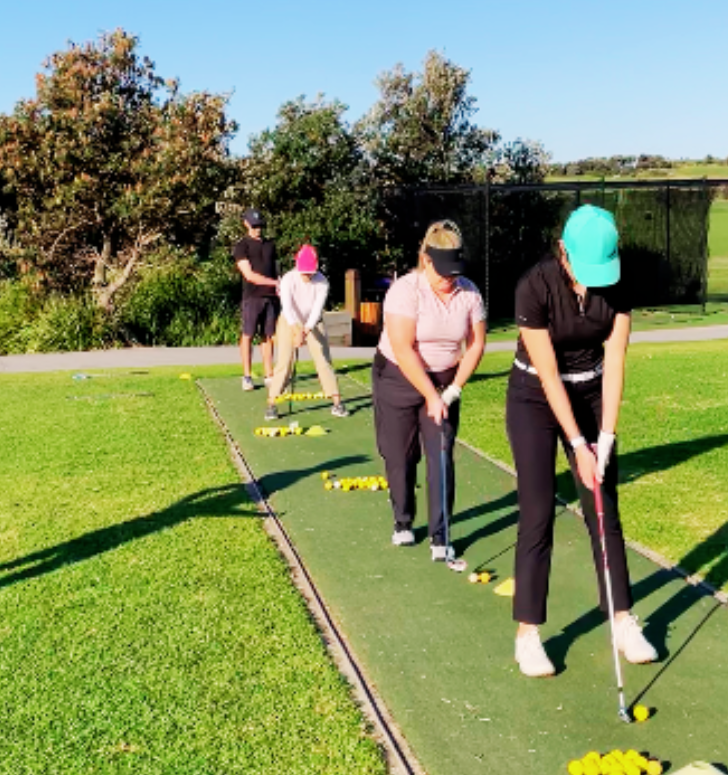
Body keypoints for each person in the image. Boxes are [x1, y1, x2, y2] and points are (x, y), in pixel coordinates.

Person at [507, 205, 656, 678]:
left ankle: (622, 619)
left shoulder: (619, 286)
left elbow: (615, 364)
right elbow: (549, 374)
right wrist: (577, 443)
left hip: (592, 390)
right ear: (563, 252)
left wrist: (605, 437)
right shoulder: (534, 286)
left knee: (603, 504)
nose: (594, 283)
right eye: (584, 270)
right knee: (537, 510)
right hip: (534, 395)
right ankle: (527, 635)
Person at [373, 221, 486, 558]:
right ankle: (403, 522)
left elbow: (477, 344)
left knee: (441, 455)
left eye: (455, 271)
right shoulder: (405, 291)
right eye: (443, 272)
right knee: (400, 456)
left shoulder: (469, 293)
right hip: (397, 375)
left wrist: (452, 390)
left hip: (445, 377)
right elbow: (403, 348)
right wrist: (431, 395)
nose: (450, 279)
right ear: (426, 260)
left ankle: (441, 536)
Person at [265, 244, 349, 421]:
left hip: (313, 322)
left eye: (310, 272)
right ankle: (271, 404)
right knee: (284, 361)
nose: (307, 275)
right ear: (297, 266)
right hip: (289, 321)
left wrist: (305, 331)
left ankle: (337, 403)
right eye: (304, 272)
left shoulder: (322, 282)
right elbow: (287, 307)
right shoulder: (288, 279)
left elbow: (317, 310)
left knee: (323, 359)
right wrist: (296, 330)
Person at [232, 209, 280, 391]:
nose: (258, 229)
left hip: (271, 297)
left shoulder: (270, 245)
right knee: (248, 335)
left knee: (267, 335)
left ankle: (269, 374)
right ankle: (247, 376)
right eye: (254, 225)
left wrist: (279, 286)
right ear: (246, 224)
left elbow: (276, 269)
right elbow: (249, 275)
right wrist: (275, 282)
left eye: (260, 225)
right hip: (252, 296)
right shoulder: (241, 246)